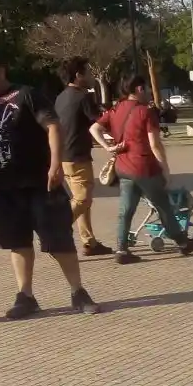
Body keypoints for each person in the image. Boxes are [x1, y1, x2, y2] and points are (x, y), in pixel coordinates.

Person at [0, 49, 100, 318]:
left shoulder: (25, 95)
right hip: (0, 190)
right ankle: (25, 295)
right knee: (18, 242)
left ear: (1, 69)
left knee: (59, 240)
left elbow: (53, 127)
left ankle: (78, 291)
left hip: (39, 184)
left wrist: (56, 164)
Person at [91, 74, 193, 264]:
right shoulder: (145, 112)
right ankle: (183, 243)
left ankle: (121, 249)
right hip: (144, 167)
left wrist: (108, 147)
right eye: (147, 89)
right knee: (164, 207)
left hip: (123, 166)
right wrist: (165, 167)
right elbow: (155, 144)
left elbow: (94, 129)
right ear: (139, 89)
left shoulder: (115, 109)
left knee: (125, 210)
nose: (150, 92)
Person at [54, 56, 112, 257]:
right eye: (88, 72)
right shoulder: (83, 97)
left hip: (63, 156)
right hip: (77, 156)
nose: (91, 76)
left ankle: (89, 242)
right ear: (78, 75)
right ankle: (56, 231)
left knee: (82, 200)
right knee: (83, 199)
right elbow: (99, 122)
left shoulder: (61, 97)